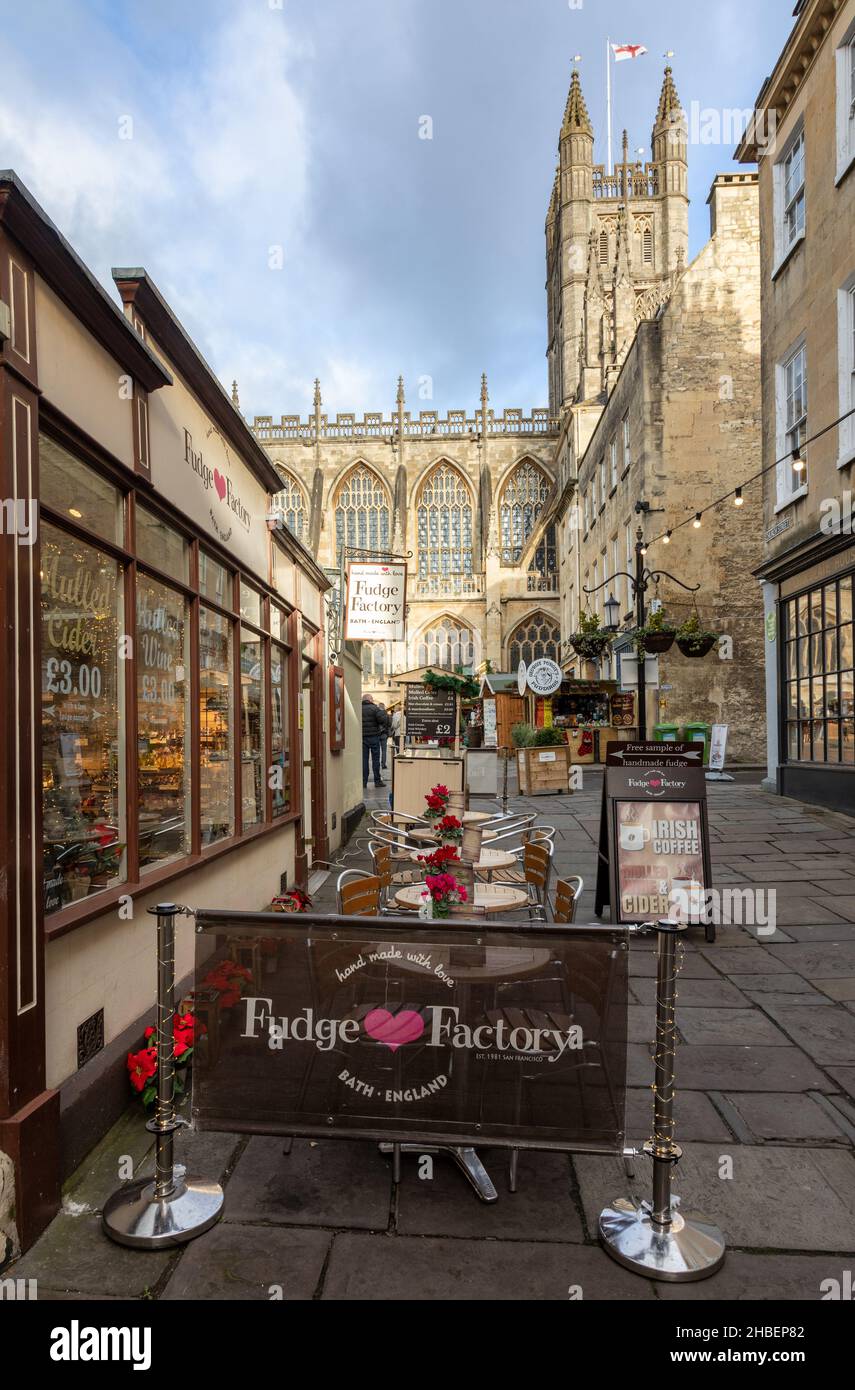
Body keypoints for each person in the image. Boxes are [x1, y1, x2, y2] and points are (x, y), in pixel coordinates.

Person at [361, 695, 386, 788]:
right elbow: (383, 720)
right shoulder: (375, 708)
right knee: (376, 760)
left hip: (362, 737)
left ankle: (363, 782)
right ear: (370, 700)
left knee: (364, 760)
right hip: (374, 736)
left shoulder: (359, 708)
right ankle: (377, 781)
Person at [377, 702, 391, 770]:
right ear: (384, 707)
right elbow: (389, 725)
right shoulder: (387, 715)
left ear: (378, 707)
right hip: (384, 734)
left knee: (377, 750)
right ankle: (383, 764)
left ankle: (377, 764)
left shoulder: (376, 714)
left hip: (377, 734)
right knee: (384, 750)